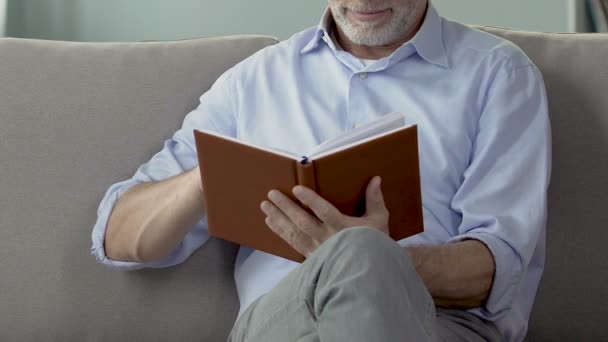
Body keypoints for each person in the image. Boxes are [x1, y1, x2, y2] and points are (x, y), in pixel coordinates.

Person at [91, 0, 551, 341]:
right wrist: (210, 173)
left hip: (433, 327)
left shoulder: (498, 75)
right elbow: (122, 239)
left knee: (362, 253)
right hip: (283, 326)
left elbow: (495, 272)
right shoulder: (253, 82)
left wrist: (366, 262)